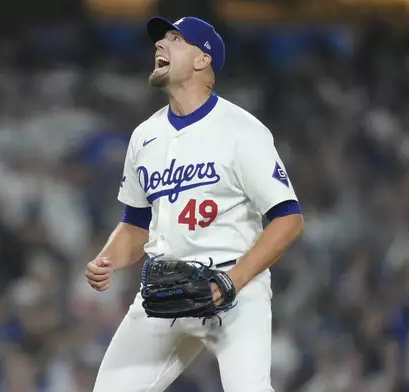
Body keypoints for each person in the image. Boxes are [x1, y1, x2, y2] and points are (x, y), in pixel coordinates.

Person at [85, 16, 304, 392]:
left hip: (236, 292)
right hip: (162, 294)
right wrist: (107, 259)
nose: (160, 45)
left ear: (203, 60)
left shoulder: (241, 130)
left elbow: (288, 220)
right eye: (159, 40)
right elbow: (136, 224)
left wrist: (231, 283)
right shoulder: (145, 136)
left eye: (175, 39)